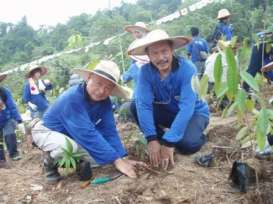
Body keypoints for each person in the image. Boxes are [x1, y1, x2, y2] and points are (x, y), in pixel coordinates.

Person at [31, 60, 146, 183]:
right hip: (46, 131)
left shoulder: (105, 102)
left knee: (99, 160)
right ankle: (49, 161)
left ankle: (76, 162)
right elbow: (87, 133)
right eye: (98, 83)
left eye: (108, 88)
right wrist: (117, 161)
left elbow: (109, 131)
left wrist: (122, 157)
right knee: (70, 148)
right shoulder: (72, 98)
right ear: (89, 78)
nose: (101, 91)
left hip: (71, 135)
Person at [127, 29, 210, 170]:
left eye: (164, 51)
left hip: (193, 113)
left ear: (172, 50)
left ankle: (192, 136)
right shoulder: (145, 72)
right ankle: (160, 139)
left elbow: (187, 108)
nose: (160, 57)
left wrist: (170, 142)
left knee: (187, 145)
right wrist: (151, 138)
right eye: (154, 53)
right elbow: (144, 106)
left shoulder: (187, 69)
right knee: (134, 106)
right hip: (167, 112)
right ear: (148, 55)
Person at [0, 73, 23, 168]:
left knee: (10, 135)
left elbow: (11, 105)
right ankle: (1, 159)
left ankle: (13, 153)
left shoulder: (4, 91)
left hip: (6, 117)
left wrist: (17, 118)